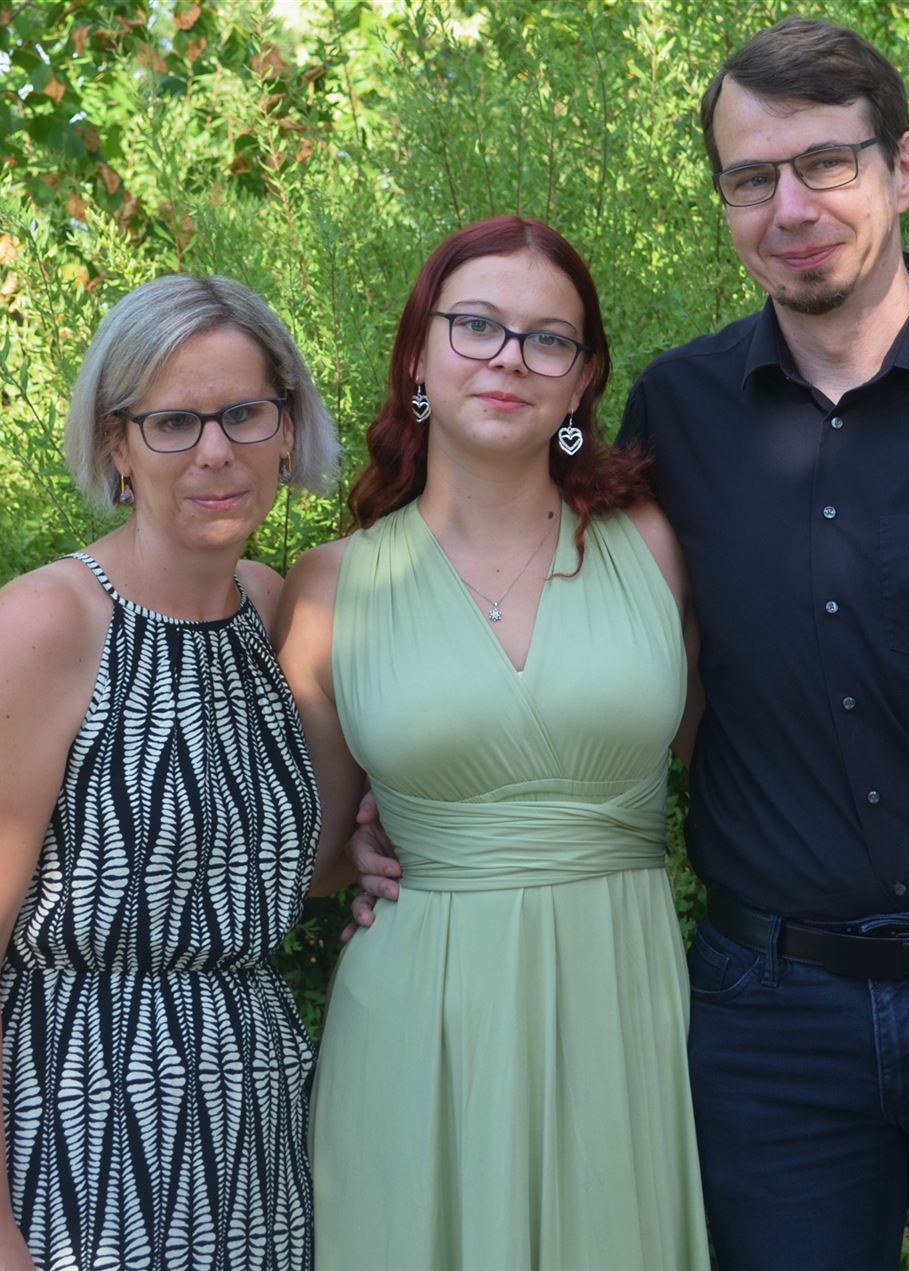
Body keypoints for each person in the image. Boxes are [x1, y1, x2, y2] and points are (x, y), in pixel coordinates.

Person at [343, 18, 909, 1270]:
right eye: (752, 177)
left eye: (826, 164)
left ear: (905, 168)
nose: (790, 207)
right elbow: (590, 654)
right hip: (769, 1021)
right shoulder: (678, 416)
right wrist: (421, 801)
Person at [274, 215, 710, 1269]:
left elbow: (731, 763)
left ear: (582, 381)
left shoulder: (653, 546)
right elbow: (312, 856)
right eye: (476, 325)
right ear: (418, 357)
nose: (510, 357)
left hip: (623, 1005)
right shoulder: (332, 588)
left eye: (547, 338)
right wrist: (359, 850)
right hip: (420, 1020)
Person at [0, 274, 340, 1271]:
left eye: (244, 413)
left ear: (286, 429)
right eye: (173, 422)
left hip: (247, 1149)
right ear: (117, 445)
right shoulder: (50, 623)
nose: (215, 450)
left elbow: (278, 866)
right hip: (69, 1142)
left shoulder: (273, 609)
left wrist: (380, 849)